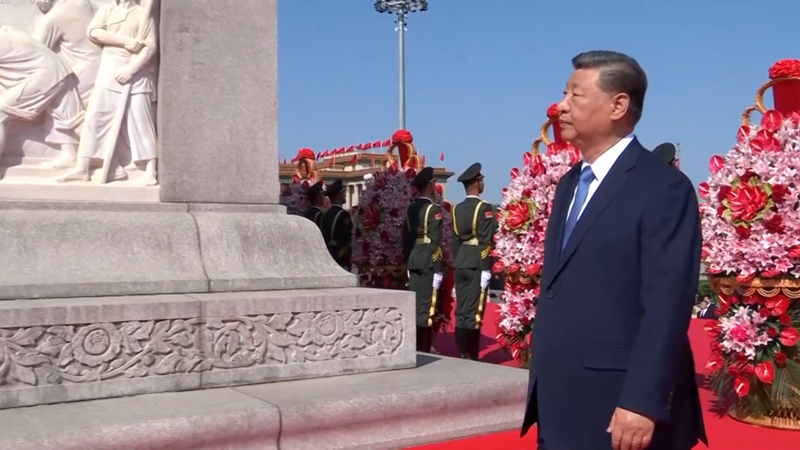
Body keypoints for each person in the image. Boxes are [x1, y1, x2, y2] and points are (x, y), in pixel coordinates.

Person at [520, 51, 706, 450]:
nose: (561, 106)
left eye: (576, 95)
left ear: (618, 105)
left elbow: (666, 304)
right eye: (563, 93)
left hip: (619, 404)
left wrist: (642, 400)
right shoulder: (570, 184)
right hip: (560, 397)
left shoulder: (662, 188)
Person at [59, 0, 158, 185]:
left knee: (140, 121)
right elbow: (94, 32)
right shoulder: (108, 11)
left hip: (136, 76)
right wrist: (125, 42)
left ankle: (150, 170)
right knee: (95, 117)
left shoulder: (143, 16)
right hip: (110, 70)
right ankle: (82, 168)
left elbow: (150, 47)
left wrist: (131, 69)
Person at [0, 26, 84, 170]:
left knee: (1, 113)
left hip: (44, 74)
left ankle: (110, 153)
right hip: (57, 69)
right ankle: (73, 155)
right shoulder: (6, 31)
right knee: (69, 118)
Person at [451, 163, 498, 360]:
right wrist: (486, 267)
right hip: (476, 263)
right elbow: (487, 238)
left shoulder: (457, 209)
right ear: (477, 183)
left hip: (461, 261)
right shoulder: (483, 208)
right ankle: (471, 353)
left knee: (462, 308)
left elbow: (455, 240)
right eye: (482, 180)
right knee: (475, 310)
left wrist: (456, 261)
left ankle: (461, 349)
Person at [402, 167, 444, 353]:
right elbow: (435, 241)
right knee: (427, 308)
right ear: (430, 185)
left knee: (415, 305)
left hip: (413, 260)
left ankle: (415, 348)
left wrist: (407, 264)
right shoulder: (433, 210)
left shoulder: (411, 208)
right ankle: (424, 349)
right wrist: (438, 268)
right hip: (427, 261)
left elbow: (406, 239)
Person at [320, 179, 352, 270]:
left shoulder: (325, 215)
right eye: (343, 193)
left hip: (329, 255)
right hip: (341, 257)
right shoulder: (343, 215)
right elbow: (347, 236)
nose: (344, 195)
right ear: (338, 195)